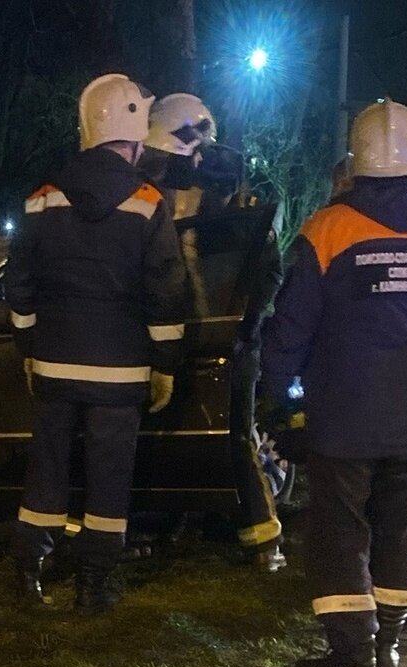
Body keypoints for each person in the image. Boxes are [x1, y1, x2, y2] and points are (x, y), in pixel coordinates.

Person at [260, 100, 407, 667]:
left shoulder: (328, 229)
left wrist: (277, 399)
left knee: (340, 528)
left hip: (343, 413)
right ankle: (389, 645)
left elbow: (290, 326)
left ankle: (351, 655)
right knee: (399, 521)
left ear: (355, 160)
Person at [4, 73, 190, 613]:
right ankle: (94, 587)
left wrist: (27, 346)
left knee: (48, 469)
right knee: (109, 478)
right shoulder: (149, 202)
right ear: (133, 138)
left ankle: (27, 574)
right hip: (122, 370)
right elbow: (166, 291)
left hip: (54, 364)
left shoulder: (41, 199)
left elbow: (19, 282)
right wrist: (167, 364)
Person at [143, 93, 287, 571]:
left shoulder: (234, 202)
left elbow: (266, 272)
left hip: (228, 341)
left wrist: (242, 325)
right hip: (176, 337)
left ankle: (264, 540)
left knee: (234, 436)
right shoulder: (156, 200)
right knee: (174, 430)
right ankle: (174, 520)